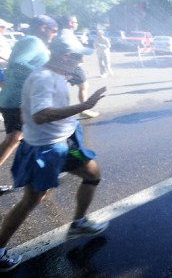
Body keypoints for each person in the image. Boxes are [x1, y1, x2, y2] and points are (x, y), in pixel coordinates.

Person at [0, 35, 109, 272]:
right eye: (77, 57)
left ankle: (78, 223)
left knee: (92, 174)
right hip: (45, 149)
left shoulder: (56, 74)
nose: (80, 61)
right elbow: (41, 115)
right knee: (32, 200)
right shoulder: (42, 79)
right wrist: (85, 105)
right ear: (63, 56)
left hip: (68, 143)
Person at [0, 15, 59, 193]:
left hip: (19, 98)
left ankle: (36, 178)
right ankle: (38, 180)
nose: (54, 35)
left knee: (18, 138)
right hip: (18, 99)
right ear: (43, 28)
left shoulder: (30, 41)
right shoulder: (33, 41)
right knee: (15, 139)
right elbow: (17, 64)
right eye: (53, 31)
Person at [59, 15, 99, 119]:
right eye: (76, 22)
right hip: (72, 66)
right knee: (84, 86)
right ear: (70, 23)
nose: (77, 24)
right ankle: (84, 110)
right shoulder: (67, 34)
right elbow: (75, 49)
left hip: (64, 65)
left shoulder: (63, 33)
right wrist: (91, 50)